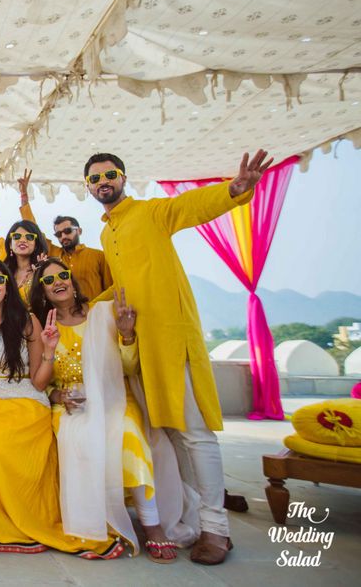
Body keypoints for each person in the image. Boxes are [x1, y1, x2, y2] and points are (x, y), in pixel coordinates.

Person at [86, 150, 273, 565]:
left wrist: (234, 190)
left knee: (195, 435)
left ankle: (217, 531)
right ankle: (190, 521)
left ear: (122, 177)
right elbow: (123, 286)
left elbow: (190, 207)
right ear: (89, 187)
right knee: (170, 437)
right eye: (95, 178)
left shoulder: (151, 213)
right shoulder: (106, 235)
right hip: (138, 345)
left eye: (110, 174)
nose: (103, 182)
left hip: (172, 341)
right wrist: (82, 310)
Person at [0, 258, 123, 559]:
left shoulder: (27, 320)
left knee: (2, 440)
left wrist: (50, 351)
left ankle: (26, 521)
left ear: (8, 286)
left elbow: (40, 383)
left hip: (25, 398)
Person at [30, 260, 199, 562]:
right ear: (42, 291)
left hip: (114, 399)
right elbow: (43, 385)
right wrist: (59, 391)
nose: (58, 281)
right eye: (49, 280)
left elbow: (130, 367)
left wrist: (127, 335)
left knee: (130, 434)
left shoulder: (102, 314)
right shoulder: (45, 327)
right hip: (71, 406)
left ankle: (153, 526)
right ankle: (98, 523)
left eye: (63, 275)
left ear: (73, 280)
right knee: (77, 439)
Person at [17, 169, 113, 299]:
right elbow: (33, 230)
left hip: (94, 314)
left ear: (79, 231)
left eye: (67, 231)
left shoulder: (98, 256)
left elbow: (110, 288)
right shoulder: (55, 255)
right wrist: (24, 198)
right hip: (64, 316)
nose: (63, 237)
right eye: (58, 234)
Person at [3, 220, 49, 306]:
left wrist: (43, 273)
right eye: (17, 236)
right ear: (10, 244)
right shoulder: (3, 272)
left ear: (36, 244)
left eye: (29, 237)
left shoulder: (43, 269)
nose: (23, 240)